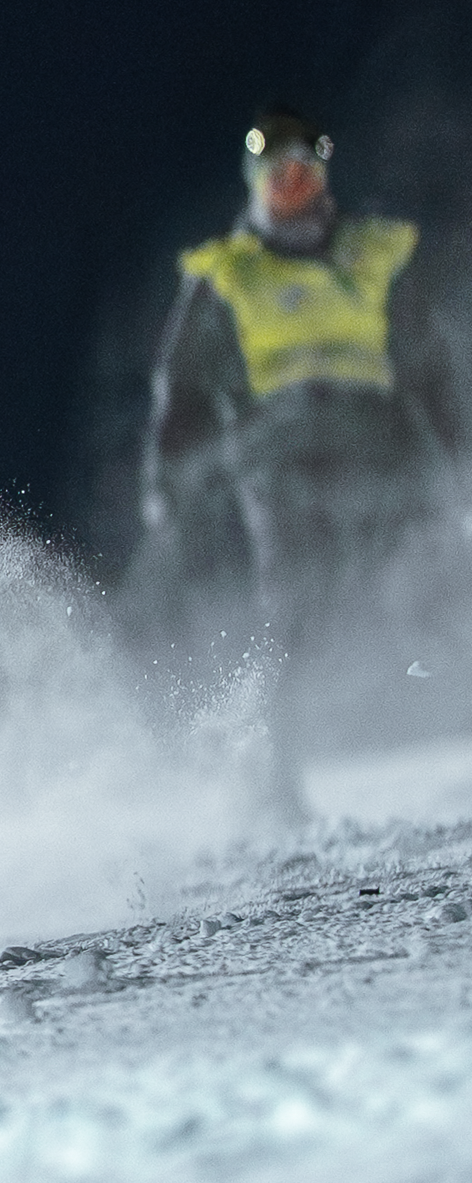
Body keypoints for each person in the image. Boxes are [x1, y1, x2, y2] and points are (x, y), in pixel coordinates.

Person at [139, 109, 460, 750]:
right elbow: (182, 387)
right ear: (255, 185)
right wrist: (166, 483)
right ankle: (274, 764)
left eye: (303, 178)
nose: (292, 191)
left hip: (375, 441)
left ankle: (448, 714)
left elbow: (430, 367)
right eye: (277, 179)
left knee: (428, 576)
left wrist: (456, 454)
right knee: (300, 604)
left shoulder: (370, 254)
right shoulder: (230, 272)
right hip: (280, 454)